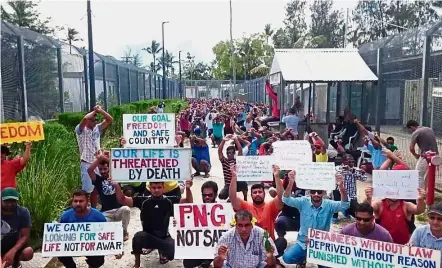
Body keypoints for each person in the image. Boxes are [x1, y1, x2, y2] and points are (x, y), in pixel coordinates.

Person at [113, 180, 192, 267]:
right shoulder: (143, 200)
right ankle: (137, 263)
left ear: (163, 188)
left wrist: (188, 188)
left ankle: (163, 253)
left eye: (159, 187)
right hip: (147, 236)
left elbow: (188, 201)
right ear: (150, 188)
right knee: (137, 238)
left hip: (163, 237)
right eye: (154, 188)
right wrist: (117, 186)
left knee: (172, 251)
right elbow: (122, 200)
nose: (156, 190)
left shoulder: (169, 200)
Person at [282, 170, 349, 267]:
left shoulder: (329, 204)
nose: (316, 194)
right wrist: (291, 182)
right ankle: (302, 259)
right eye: (313, 191)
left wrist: (341, 187)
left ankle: (317, 260)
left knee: (327, 266)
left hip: (321, 245)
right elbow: (286, 199)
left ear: (323, 193)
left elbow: (345, 205)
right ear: (309, 193)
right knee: (287, 258)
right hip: (303, 242)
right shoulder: (303, 202)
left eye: (319, 191)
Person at [229, 165, 283, 243]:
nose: (257, 194)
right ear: (251, 195)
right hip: (250, 245)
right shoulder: (245, 206)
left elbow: (281, 197)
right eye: (254, 192)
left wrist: (277, 176)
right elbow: (232, 198)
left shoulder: (270, 206)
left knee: (281, 242)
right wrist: (234, 177)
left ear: (264, 194)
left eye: (260, 192)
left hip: (268, 246)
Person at [76, 105, 113, 208]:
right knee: (87, 189)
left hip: (98, 161)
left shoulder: (97, 128)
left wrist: (100, 111)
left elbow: (110, 120)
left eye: (96, 120)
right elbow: (84, 119)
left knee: (96, 189)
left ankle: (93, 208)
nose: (95, 122)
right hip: (87, 162)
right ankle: (85, 208)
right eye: (92, 120)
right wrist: (94, 111)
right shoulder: (80, 130)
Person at [58, 190, 107, 268]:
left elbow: (107, 236)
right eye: (75, 201)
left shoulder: (98, 216)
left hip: (92, 247)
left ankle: (92, 265)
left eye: (81, 201)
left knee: (98, 259)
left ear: (87, 202)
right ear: (72, 202)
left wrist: (116, 251)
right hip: (71, 246)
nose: (77, 204)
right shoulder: (65, 216)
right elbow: (59, 236)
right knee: (60, 253)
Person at [87, 153, 131, 241]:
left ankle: (124, 231)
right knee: (101, 230)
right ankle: (113, 230)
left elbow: (118, 165)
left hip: (119, 210)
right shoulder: (98, 180)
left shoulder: (116, 176)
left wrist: (105, 158)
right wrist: (99, 159)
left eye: (105, 169)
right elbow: (89, 170)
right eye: (100, 169)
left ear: (109, 168)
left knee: (126, 209)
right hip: (106, 212)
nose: (102, 171)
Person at [213, 210, 279, 268]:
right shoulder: (226, 236)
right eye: (240, 225)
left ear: (252, 225)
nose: (244, 229)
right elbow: (216, 265)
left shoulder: (262, 235)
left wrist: (270, 256)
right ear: (236, 225)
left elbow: (272, 264)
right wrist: (220, 258)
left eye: (247, 225)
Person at [180, 181, 218, 268]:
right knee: (188, 263)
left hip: (215, 249)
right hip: (200, 246)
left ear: (215, 195)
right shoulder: (197, 209)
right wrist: (179, 222)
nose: (207, 197)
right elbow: (187, 204)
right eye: (204, 195)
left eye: (210, 195)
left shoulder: (223, 212)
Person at [1, 188, 34, 268]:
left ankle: (15, 261)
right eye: (6, 201)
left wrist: (13, 251)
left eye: (13, 201)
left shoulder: (23, 212)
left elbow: (24, 236)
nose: (9, 204)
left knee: (28, 252)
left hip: (13, 245)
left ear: (17, 201)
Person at [332, 154, 367, 223]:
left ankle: (346, 211)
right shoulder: (337, 168)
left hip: (351, 195)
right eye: (349, 162)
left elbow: (364, 178)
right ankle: (335, 216)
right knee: (335, 197)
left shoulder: (355, 169)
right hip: (340, 193)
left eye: (353, 162)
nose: (351, 163)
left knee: (356, 213)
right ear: (343, 162)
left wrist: (352, 170)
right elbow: (334, 173)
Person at [406, 119, 439, 187]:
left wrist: (415, 155)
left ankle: (419, 194)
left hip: (426, 156)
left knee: (418, 174)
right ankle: (427, 193)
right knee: (429, 175)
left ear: (411, 127)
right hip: (435, 156)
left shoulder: (416, 133)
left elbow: (411, 148)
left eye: (409, 129)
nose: (410, 131)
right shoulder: (429, 129)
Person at [217, 135, 248, 201]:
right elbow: (219, 151)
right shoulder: (224, 161)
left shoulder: (237, 161)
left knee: (244, 184)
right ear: (226, 153)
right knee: (221, 196)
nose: (230, 154)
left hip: (237, 183)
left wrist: (236, 139)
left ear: (234, 153)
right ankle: (231, 196)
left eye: (231, 153)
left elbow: (240, 150)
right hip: (228, 185)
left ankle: (245, 198)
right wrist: (223, 140)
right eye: (228, 153)